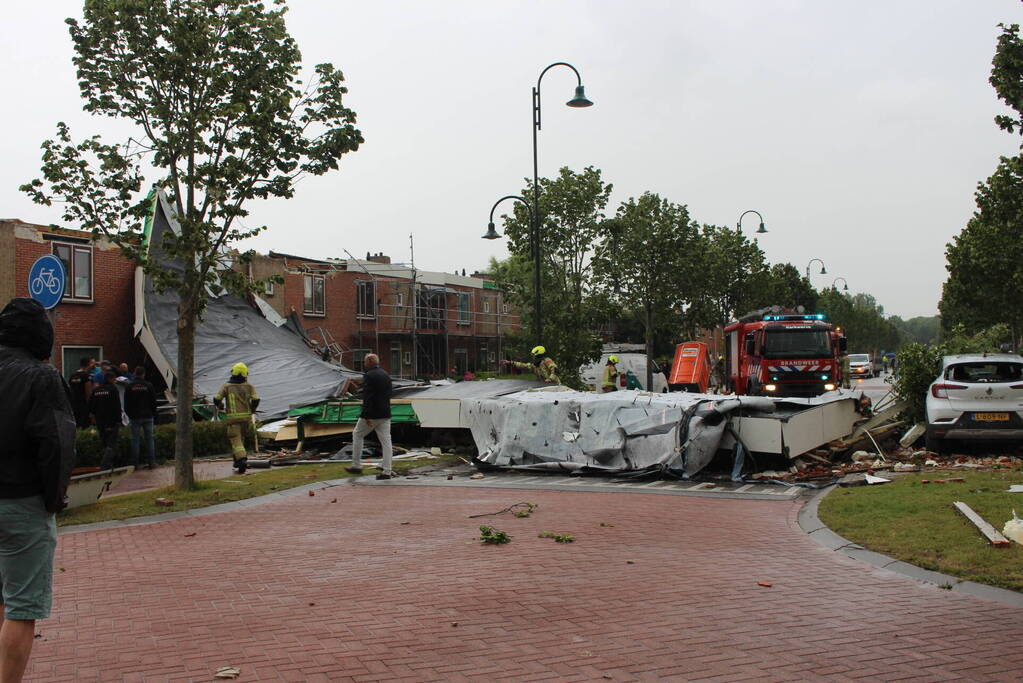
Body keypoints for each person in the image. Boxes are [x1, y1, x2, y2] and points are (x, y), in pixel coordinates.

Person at [0, 298, 75, 683]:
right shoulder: (41, 377)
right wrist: (53, 499)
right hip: (22, 502)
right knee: (21, 608)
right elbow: (58, 444)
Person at [345, 353, 393, 480]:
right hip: (385, 412)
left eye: (365, 362)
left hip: (372, 413)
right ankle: (387, 471)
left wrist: (366, 415)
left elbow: (368, 397)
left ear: (370, 361)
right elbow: (388, 393)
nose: (364, 364)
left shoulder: (369, 375)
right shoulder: (385, 374)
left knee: (357, 434)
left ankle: (356, 465)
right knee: (386, 442)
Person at [214, 363, 259, 474]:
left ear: (233, 372)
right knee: (241, 439)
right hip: (246, 418)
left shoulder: (227, 386)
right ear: (245, 374)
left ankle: (242, 459)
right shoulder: (249, 386)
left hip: (233, 419)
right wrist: (252, 409)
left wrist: (220, 406)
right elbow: (256, 399)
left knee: (235, 439)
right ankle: (237, 460)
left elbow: (216, 398)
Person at [124, 366, 158, 470]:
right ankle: (152, 463)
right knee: (150, 439)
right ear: (143, 374)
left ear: (134, 373)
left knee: (135, 440)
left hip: (135, 417)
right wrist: (152, 413)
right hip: (148, 416)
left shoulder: (130, 386)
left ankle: (135, 464)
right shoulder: (149, 385)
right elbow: (153, 402)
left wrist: (130, 414)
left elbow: (126, 403)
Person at [89, 369, 123, 470]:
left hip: (100, 422)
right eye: (114, 379)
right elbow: (117, 406)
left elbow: (91, 406)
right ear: (110, 379)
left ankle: (111, 464)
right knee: (112, 443)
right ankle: (106, 464)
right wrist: (119, 420)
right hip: (111, 421)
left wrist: (94, 417)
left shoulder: (96, 390)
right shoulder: (113, 389)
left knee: (105, 442)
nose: (115, 381)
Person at [67, 356, 94, 429]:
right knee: (84, 426)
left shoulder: (72, 375)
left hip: (74, 404)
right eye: (92, 363)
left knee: (76, 425)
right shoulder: (86, 376)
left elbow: (70, 389)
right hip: (83, 405)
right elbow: (88, 393)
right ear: (88, 364)